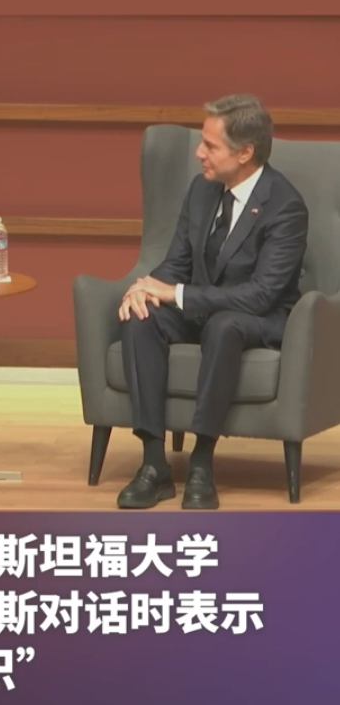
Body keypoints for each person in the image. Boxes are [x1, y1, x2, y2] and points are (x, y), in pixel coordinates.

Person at [116, 94, 308, 510]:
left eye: (210, 145)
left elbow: (262, 294)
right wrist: (145, 287)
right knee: (141, 317)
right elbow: (178, 262)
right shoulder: (202, 190)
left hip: (260, 318)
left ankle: (202, 462)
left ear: (244, 152)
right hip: (203, 308)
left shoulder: (285, 206)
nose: (199, 153)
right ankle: (154, 464)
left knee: (225, 324)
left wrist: (178, 294)